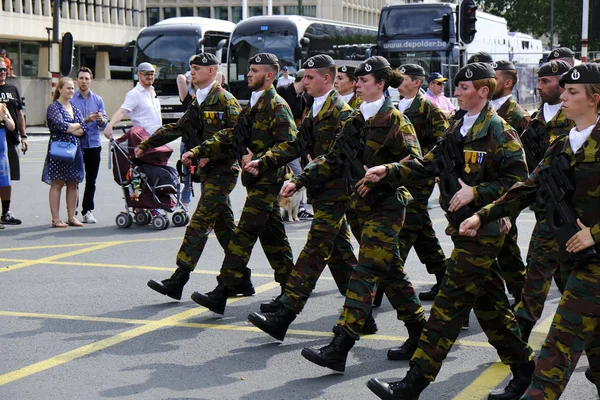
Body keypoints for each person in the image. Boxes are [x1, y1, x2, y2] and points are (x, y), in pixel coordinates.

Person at [364, 62, 535, 400]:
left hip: (483, 231)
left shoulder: (499, 130)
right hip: (464, 231)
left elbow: (518, 182)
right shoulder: (457, 128)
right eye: (456, 87)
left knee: (446, 308)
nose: (456, 92)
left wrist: (477, 192)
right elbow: (428, 164)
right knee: (493, 310)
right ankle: (525, 367)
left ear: (483, 92)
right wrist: (389, 170)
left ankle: (413, 384)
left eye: (463, 87)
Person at [459, 62, 600, 400]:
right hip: (570, 255)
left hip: (594, 262)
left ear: (595, 98)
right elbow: (526, 187)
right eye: (563, 90)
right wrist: (484, 214)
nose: (562, 97)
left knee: (559, 345)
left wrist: (595, 233)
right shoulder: (564, 143)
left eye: (572, 92)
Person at [283, 56, 426, 373]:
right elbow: (332, 160)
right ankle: (420, 333)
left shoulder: (396, 121)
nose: (357, 84)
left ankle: (340, 346)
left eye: (363, 80)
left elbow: (418, 165)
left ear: (380, 84)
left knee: (364, 273)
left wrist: (386, 171)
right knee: (392, 275)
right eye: (356, 80)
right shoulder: (355, 121)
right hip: (360, 209)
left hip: (387, 209)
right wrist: (299, 180)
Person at [243, 54, 376, 339]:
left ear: (326, 79)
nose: (304, 82)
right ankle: (363, 317)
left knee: (313, 253)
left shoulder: (341, 112)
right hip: (323, 192)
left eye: (310, 77)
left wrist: (300, 180)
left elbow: (336, 159)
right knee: (340, 257)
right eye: (304, 77)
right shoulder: (315, 108)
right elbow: (296, 145)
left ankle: (284, 316)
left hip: (337, 193)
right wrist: (264, 162)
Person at [185, 53, 296, 315]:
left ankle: (222, 292)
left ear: (270, 75)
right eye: (250, 69)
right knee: (274, 240)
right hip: (255, 181)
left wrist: (260, 159)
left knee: (242, 238)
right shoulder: (254, 104)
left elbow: (290, 144)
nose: (249, 74)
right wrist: (200, 151)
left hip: (267, 181)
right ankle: (290, 291)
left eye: (255, 70)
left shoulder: (277, 105)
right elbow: (231, 134)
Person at [135, 53, 243, 302]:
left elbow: (235, 137)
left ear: (212, 71)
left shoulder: (226, 101)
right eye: (191, 68)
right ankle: (242, 278)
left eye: (196, 69)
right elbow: (177, 128)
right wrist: (147, 144)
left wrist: (204, 152)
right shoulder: (198, 101)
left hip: (223, 172)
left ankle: (179, 279)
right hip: (208, 172)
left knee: (199, 223)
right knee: (225, 228)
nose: (191, 73)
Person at [511, 60, 573, 343]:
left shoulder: (578, 117)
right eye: (538, 80)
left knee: (574, 277)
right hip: (546, 212)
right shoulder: (533, 122)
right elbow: (521, 166)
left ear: (562, 83)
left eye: (545, 81)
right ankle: (520, 334)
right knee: (538, 269)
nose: (538, 86)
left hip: (578, 216)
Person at [394, 64, 449, 304]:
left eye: (403, 78)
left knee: (404, 231)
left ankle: (382, 284)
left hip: (418, 179)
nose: (398, 81)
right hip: (398, 177)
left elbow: (442, 142)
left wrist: (422, 162)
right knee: (422, 232)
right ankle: (445, 277)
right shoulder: (396, 106)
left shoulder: (428, 108)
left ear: (416, 83)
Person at [490, 60, 531, 306]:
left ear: (507, 83)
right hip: (483, 188)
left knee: (505, 244)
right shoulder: (481, 109)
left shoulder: (518, 116)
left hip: (507, 189)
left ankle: (519, 293)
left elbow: (525, 162)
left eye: (493, 77)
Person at [42, 78, 86, 228]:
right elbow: (61, 126)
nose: (71, 91)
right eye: (68, 88)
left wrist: (72, 128)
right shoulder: (54, 107)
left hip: (74, 150)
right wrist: (76, 126)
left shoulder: (75, 108)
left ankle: (72, 217)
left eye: (73, 88)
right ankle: (56, 218)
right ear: (60, 89)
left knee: (73, 183)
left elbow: (82, 130)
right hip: (59, 149)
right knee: (58, 182)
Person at [70, 67, 107, 224]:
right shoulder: (71, 99)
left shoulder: (97, 99)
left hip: (93, 144)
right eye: (81, 78)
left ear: (91, 81)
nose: (83, 81)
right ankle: (72, 211)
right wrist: (86, 120)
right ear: (76, 80)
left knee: (91, 180)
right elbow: (69, 123)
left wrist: (100, 120)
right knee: (74, 180)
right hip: (76, 144)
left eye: (86, 78)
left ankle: (88, 210)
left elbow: (104, 122)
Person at [276, 68, 312, 219]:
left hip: (292, 144)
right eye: (308, 79)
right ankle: (279, 208)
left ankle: (299, 208)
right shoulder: (282, 90)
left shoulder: (302, 99)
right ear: (303, 80)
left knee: (299, 174)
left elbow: (299, 121)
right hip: (278, 142)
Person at [104, 62, 162, 138]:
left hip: (158, 137)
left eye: (152, 74)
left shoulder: (152, 91)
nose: (150, 77)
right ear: (139, 74)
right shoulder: (134, 94)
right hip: (144, 139)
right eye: (146, 74)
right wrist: (110, 125)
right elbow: (122, 111)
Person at [0, 59, 26, 225]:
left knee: (7, 178)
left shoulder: (12, 89)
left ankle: (6, 212)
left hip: (9, 140)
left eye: (4, 69)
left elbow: (19, 114)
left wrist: (24, 136)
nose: (2, 72)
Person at [176, 64, 199, 209]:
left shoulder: (208, 96)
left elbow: (218, 75)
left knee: (207, 179)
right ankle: (184, 205)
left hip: (202, 144)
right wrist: (191, 80)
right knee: (186, 178)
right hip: (187, 143)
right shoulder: (187, 98)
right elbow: (180, 78)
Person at [0, 102, 16, 229]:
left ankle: (5, 213)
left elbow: (11, 126)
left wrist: (4, 116)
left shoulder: (2, 107)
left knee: (4, 182)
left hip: (2, 151)